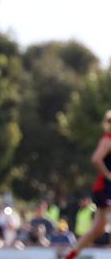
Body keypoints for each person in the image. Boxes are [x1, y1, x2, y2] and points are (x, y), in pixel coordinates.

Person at [66, 109, 111, 259]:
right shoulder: (108, 140)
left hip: (104, 189)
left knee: (98, 229)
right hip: (106, 189)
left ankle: (71, 255)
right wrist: (109, 175)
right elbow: (96, 159)